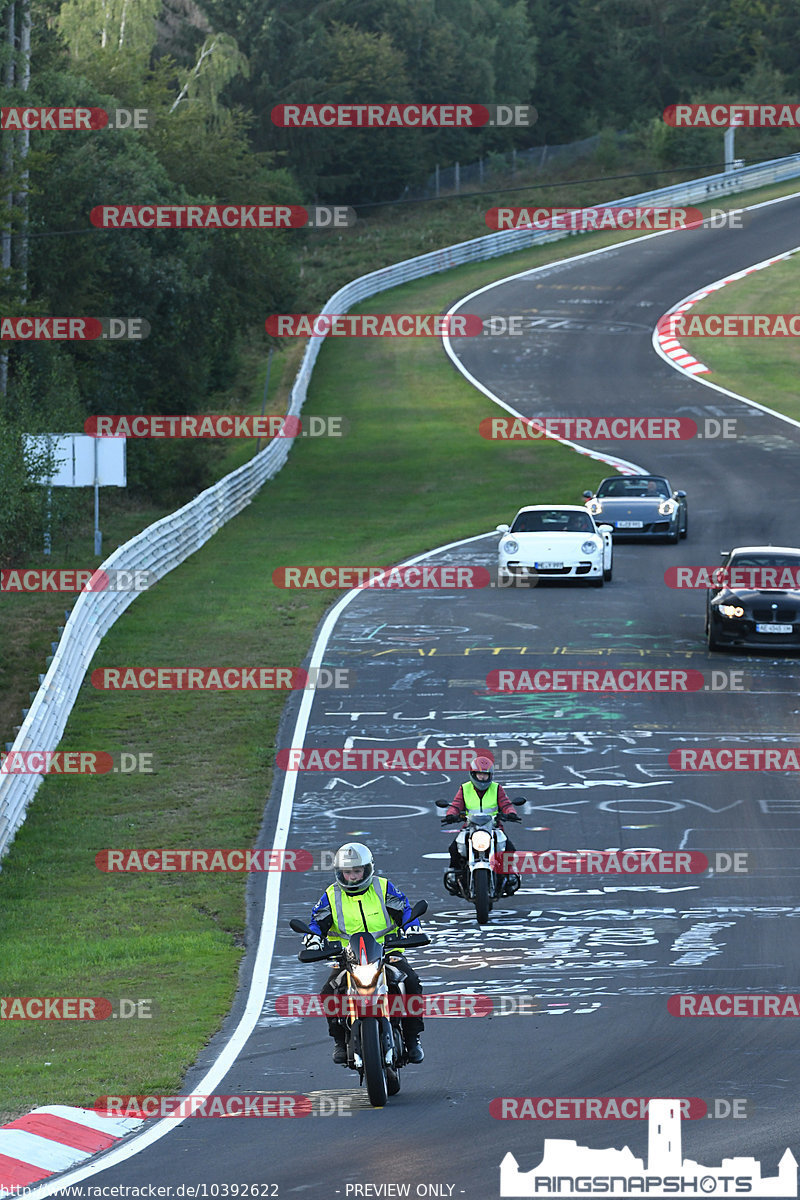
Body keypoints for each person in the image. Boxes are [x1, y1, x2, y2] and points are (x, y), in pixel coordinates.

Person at [302, 842, 425, 1065]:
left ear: (367, 869)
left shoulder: (383, 887)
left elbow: (404, 909)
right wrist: (312, 938)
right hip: (346, 957)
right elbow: (317, 921)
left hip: (387, 952)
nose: (353, 877)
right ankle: (340, 1041)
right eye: (348, 872)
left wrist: (411, 926)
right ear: (340, 872)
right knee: (328, 992)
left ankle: (412, 1038)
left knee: (412, 982)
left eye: (357, 871)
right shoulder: (331, 895)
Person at [442, 755, 522, 895]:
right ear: (473, 774)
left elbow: (506, 803)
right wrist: (451, 815)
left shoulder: (497, 788)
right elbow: (456, 804)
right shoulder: (465, 788)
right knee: (454, 848)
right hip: (469, 827)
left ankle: (509, 877)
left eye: (485, 775)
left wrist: (511, 812)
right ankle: (454, 876)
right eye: (480, 774)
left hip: (493, 827)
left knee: (509, 848)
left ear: (490, 775)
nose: (482, 778)